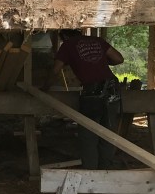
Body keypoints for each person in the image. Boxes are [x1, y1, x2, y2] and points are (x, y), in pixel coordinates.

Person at [46, 29, 124, 169]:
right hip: (112, 89)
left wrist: (44, 87)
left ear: (64, 36)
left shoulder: (68, 44)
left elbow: (55, 70)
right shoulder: (97, 41)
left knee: (88, 135)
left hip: (93, 92)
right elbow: (119, 59)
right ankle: (106, 172)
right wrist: (99, 61)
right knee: (108, 133)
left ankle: (91, 173)